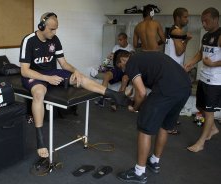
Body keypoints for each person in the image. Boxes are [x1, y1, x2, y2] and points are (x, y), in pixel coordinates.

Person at [19, 12, 127, 161]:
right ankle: (40, 140)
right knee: (39, 93)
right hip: (34, 75)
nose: (54, 32)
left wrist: (75, 70)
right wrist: (46, 78)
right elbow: (24, 70)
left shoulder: (55, 40)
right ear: (41, 26)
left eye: (56, 29)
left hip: (52, 72)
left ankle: (111, 94)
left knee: (79, 77)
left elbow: (63, 63)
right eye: (51, 29)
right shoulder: (29, 40)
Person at [117, 51, 191, 183]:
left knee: (144, 127)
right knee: (164, 125)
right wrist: (136, 99)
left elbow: (142, 93)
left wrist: (135, 108)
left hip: (167, 89)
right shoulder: (144, 58)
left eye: (122, 69)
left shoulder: (131, 63)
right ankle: (154, 161)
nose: (125, 73)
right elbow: (140, 89)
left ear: (122, 61)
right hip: (185, 87)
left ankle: (139, 172)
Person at [184, 7, 221, 153]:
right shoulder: (206, 36)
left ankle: (201, 143)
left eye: (206, 21)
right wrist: (190, 63)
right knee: (200, 107)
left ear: (216, 19)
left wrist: (213, 64)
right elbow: (201, 53)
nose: (204, 24)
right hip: (204, 77)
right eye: (202, 21)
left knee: (209, 112)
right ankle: (212, 128)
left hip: (216, 81)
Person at [164, 7, 192, 135]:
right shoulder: (177, 31)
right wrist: (187, 40)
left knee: (173, 96)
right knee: (175, 96)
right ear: (178, 18)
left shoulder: (173, 30)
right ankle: (168, 125)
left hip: (173, 68)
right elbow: (179, 51)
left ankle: (170, 119)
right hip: (173, 69)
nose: (187, 19)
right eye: (185, 17)